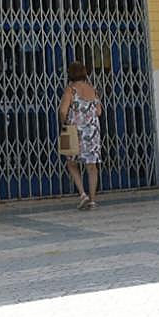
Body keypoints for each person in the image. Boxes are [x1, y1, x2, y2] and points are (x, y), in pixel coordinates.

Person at [59, 61, 103, 209]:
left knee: (71, 163)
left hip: (73, 131)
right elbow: (99, 112)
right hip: (92, 131)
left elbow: (63, 110)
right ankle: (92, 200)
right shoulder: (93, 90)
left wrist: (64, 123)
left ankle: (82, 195)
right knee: (92, 166)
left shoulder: (70, 90)